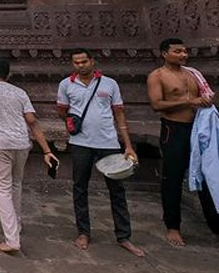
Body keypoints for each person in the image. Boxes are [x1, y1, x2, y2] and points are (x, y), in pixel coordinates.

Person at [57, 48, 144, 256]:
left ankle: (124, 236)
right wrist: (73, 123)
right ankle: (83, 232)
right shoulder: (66, 84)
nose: (81, 65)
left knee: (117, 190)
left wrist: (128, 145)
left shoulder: (109, 84)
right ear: (73, 64)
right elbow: (62, 110)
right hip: (80, 143)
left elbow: (119, 115)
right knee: (80, 188)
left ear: (93, 61)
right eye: (76, 62)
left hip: (109, 143)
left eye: (84, 61)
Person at [0, 57, 59, 254]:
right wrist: (47, 150)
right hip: (21, 143)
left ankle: (12, 239)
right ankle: (16, 226)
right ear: (9, 74)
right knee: (16, 184)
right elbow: (32, 121)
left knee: (1, 189)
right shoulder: (19, 93)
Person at [146, 38, 218, 245]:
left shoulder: (192, 74)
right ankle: (173, 226)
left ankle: (215, 223)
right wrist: (190, 100)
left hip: (197, 129)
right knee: (173, 178)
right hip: (174, 129)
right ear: (164, 53)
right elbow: (157, 105)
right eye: (177, 51)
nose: (183, 55)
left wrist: (204, 103)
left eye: (184, 51)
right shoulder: (157, 76)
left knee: (208, 175)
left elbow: (205, 96)